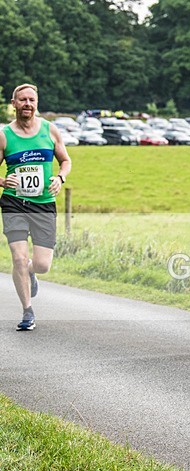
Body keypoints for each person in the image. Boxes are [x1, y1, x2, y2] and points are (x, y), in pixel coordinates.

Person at [0, 83, 72, 331]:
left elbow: (65, 160)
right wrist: (2, 180)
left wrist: (60, 178)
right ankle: (27, 311)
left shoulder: (50, 130)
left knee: (42, 264)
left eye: (31, 99)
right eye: (22, 100)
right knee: (19, 258)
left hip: (43, 204)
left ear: (36, 103)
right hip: (13, 202)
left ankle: (31, 272)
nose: (27, 104)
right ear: (14, 104)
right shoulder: (4, 135)